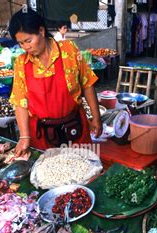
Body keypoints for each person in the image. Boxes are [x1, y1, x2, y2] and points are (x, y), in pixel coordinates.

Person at [8, 9, 102, 155]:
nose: (26, 47)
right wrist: (24, 136)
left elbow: (87, 84)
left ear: (41, 30)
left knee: (83, 171)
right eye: (20, 43)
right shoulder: (21, 63)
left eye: (28, 41)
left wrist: (96, 117)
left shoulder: (69, 51)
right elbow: (20, 102)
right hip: (42, 135)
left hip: (75, 129)